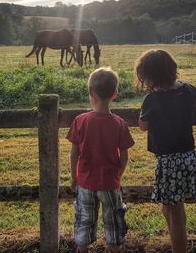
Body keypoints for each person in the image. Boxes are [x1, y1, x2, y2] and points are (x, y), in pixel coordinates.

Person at [135, 49, 196, 253]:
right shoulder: (187, 90)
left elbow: (143, 125)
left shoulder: (153, 99)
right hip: (188, 157)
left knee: (175, 214)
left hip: (169, 162)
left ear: (150, 76)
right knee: (169, 207)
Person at [67, 67, 135, 253]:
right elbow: (124, 156)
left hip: (85, 183)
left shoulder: (80, 121)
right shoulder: (120, 124)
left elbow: (74, 154)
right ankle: (114, 248)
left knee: (85, 220)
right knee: (113, 220)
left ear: (90, 92)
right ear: (115, 94)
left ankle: (82, 249)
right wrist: (118, 176)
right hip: (110, 183)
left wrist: (74, 177)